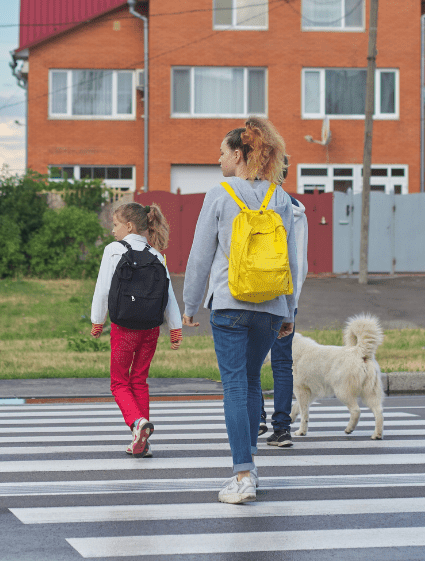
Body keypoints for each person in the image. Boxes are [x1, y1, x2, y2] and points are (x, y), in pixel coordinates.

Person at [182, 117, 299, 504]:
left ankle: (243, 474)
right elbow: (291, 261)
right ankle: (250, 467)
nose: (218, 160)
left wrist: (189, 304)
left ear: (238, 153)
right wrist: (289, 311)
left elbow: (200, 255)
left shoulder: (219, 194)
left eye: (221, 153)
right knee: (250, 382)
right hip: (270, 307)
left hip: (230, 305)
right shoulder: (279, 197)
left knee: (234, 385)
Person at [90, 202, 183, 458]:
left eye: (116, 225)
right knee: (139, 380)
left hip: (124, 329)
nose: (113, 231)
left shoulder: (113, 250)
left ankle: (137, 424)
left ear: (129, 226)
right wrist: (175, 328)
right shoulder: (156, 255)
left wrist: (97, 321)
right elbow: (169, 296)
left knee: (119, 382)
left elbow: (103, 289)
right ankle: (143, 441)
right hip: (151, 330)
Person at [260, 164, 309, 448]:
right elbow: (298, 265)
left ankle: (257, 420)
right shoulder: (297, 211)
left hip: (252, 296)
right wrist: (293, 305)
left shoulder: (249, 203)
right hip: (285, 298)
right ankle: (282, 428)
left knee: (249, 362)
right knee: (282, 364)